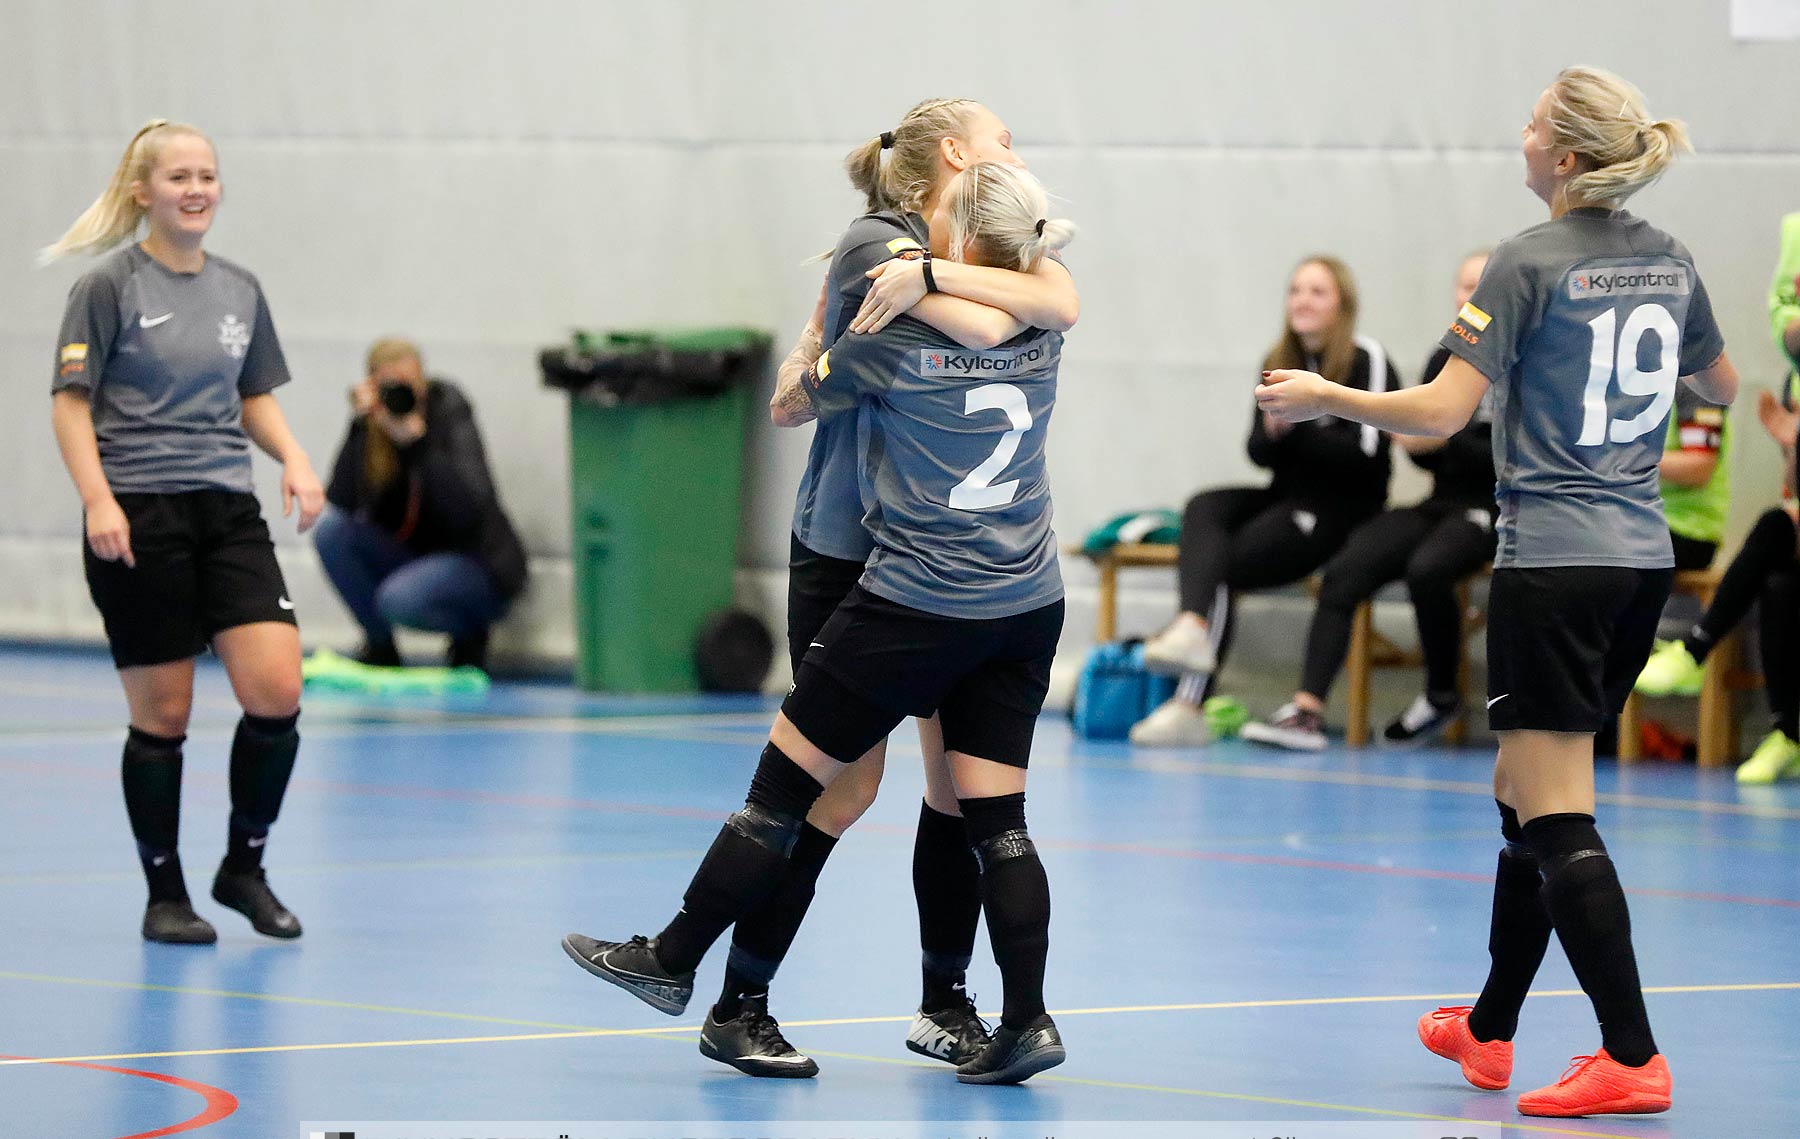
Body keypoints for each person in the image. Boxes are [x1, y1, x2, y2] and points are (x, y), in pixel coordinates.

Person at [1257, 67, 1737, 1117]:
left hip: (1554, 561)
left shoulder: (1526, 262)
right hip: (1639, 557)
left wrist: (1324, 393)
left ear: (1564, 158)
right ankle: (1488, 1028)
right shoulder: (1669, 256)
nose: (1518, 138)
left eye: (1530, 126)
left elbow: (1437, 413)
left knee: (1558, 811)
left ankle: (1631, 1053)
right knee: (1523, 797)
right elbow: (1719, 385)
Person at [563, 162, 1075, 1087]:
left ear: (955, 237)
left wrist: (815, 338)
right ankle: (1027, 1017)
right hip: (1024, 600)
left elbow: (793, 401)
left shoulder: (892, 336)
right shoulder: (1043, 317)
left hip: (917, 599)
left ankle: (674, 955)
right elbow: (1036, 298)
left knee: (780, 786)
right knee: (998, 823)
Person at [44, 119, 324, 945]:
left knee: (277, 690)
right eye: (178, 178)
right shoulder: (109, 287)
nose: (196, 189)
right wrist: (99, 499)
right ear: (144, 193)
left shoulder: (239, 289)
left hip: (226, 509)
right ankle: (164, 892)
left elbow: (251, 393)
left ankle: (244, 866)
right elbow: (70, 404)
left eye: (207, 175)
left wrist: (295, 458)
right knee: (164, 713)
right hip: (140, 508)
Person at [1133, 256, 1398, 747]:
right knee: (1205, 506)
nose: (1302, 300)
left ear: (1342, 304)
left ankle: (1190, 702)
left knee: (1223, 565)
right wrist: (1274, 434)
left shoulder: (1366, 358)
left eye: (1317, 292)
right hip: (1287, 496)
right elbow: (1257, 452)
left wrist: (1299, 428)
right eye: (1296, 290)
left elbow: (1366, 454)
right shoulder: (1279, 358)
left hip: (1341, 510)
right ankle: (1191, 624)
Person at [1243, 252, 1497, 750]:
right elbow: (1427, 451)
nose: (1470, 297)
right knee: (1346, 569)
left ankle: (1442, 693)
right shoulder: (1446, 357)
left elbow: (1511, 451)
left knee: (1429, 569)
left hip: (1495, 505)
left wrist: (1448, 440)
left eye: (1481, 287)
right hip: (1441, 501)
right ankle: (1307, 710)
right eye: (1463, 286)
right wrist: (1425, 446)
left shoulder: (1521, 361)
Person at [312, 338, 526, 672]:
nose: (401, 396)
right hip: (411, 555)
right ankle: (380, 646)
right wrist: (360, 425)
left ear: (422, 381)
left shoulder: (449, 411)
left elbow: (468, 509)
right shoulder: (373, 427)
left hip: (475, 561)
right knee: (331, 534)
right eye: (389, 387)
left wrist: (418, 443)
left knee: (400, 599)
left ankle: (471, 633)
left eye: (409, 385)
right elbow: (341, 499)